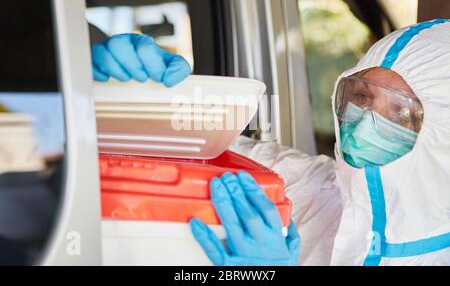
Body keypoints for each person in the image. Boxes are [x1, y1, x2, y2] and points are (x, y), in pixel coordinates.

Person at [92, 18, 450, 265]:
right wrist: (116, 95)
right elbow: (182, 149)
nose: (367, 122)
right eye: (362, 97)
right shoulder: (301, 184)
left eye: (403, 114)